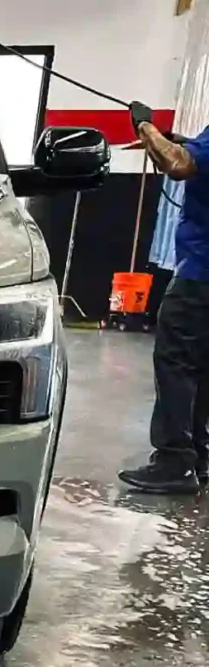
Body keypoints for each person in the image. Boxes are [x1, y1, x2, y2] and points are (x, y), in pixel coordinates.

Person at [119, 102, 209, 494]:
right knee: (202, 369)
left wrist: (145, 127)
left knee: (175, 363)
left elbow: (178, 165)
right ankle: (200, 457)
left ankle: (174, 461)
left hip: (200, 276)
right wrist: (183, 142)